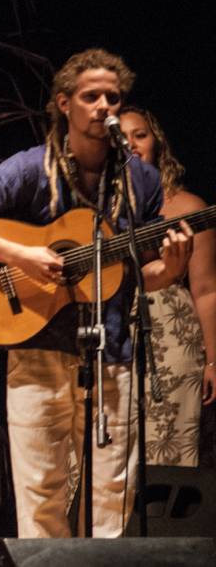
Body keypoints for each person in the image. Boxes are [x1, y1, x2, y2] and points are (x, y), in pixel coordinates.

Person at [0, 48, 193, 538]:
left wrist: (171, 267)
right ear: (64, 103)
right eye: (90, 96)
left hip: (111, 353)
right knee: (41, 494)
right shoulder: (32, 168)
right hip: (34, 350)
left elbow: (141, 274)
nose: (103, 106)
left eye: (112, 98)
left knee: (114, 495)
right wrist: (21, 256)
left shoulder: (141, 179)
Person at [118, 106, 216, 465]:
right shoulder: (95, 209)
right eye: (121, 138)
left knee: (167, 449)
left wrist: (213, 362)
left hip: (174, 341)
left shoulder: (188, 206)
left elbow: (206, 290)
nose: (130, 144)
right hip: (114, 335)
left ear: (156, 142)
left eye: (139, 135)